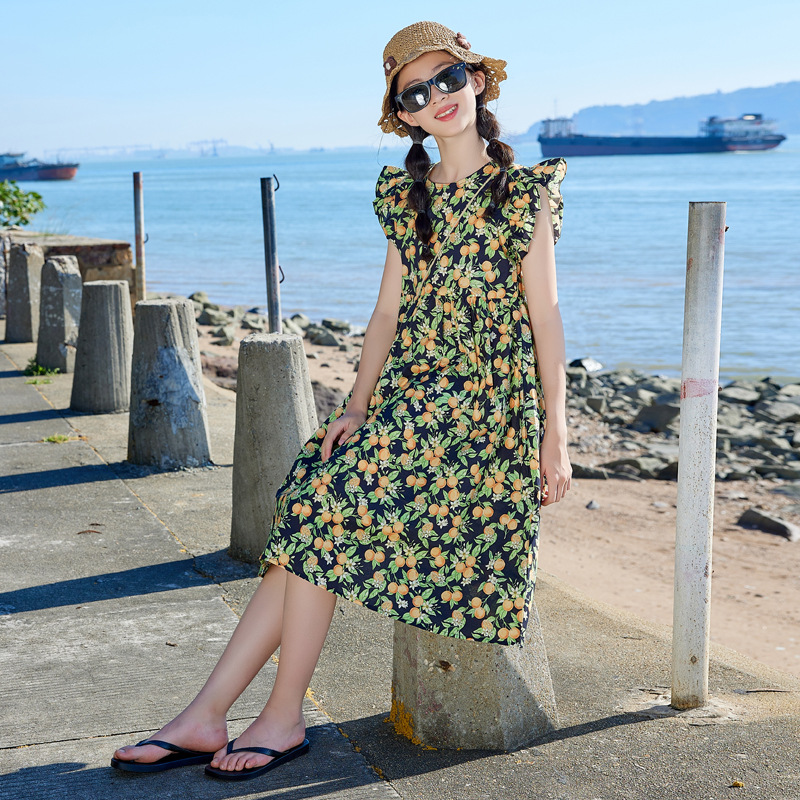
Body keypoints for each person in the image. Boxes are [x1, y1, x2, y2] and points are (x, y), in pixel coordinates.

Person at [111, 20, 571, 782]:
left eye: (449, 78)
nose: (439, 97)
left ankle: (267, 715)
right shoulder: (407, 192)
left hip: (487, 413)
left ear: (477, 80)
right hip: (410, 400)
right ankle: (214, 715)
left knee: (324, 505)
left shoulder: (524, 193)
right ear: (409, 114)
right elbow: (387, 313)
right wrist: (356, 407)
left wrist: (557, 435)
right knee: (315, 491)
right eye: (417, 92)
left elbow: (547, 318)